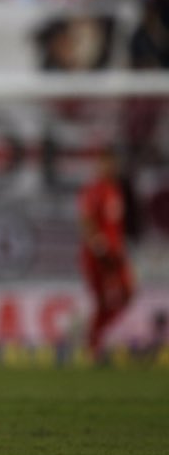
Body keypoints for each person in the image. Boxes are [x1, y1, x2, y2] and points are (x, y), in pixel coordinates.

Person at [78, 148, 135, 362]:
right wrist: (98, 246)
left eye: (112, 163)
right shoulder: (94, 190)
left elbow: (116, 226)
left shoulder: (116, 190)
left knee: (127, 292)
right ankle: (93, 343)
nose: (110, 167)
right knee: (102, 301)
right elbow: (86, 221)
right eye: (105, 163)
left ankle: (94, 334)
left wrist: (119, 247)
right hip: (97, 255)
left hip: (116, 254)